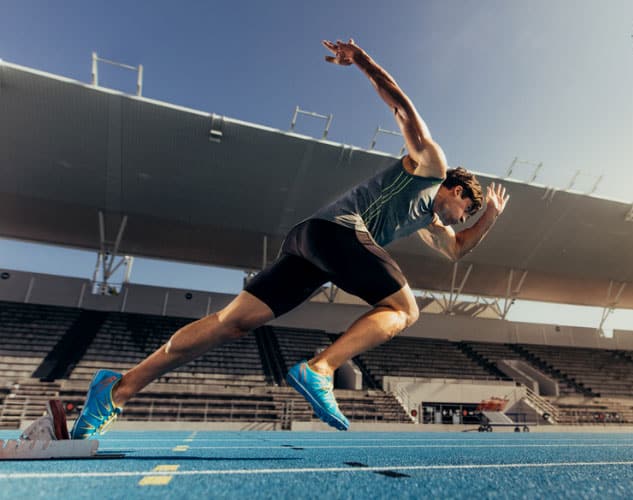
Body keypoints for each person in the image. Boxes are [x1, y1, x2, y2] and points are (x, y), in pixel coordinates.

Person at [72, 38, 509, 437]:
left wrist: (488, 216)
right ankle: (321, 369)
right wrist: (362, 62)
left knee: (231, 323)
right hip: (335, 232)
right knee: (403, 309)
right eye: (467, 208)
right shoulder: (431, 166)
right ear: (456, 189)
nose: (461, 218)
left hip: (309, 245)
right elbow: (402, 108)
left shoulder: (429, 221)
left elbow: (457, 249)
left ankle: (115, 390)